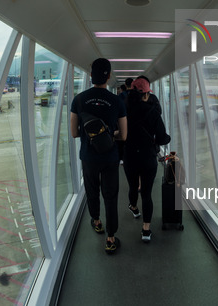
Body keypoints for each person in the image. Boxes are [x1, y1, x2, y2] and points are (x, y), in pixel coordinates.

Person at [70, 58, 127, 254]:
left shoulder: (78, 99)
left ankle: (96, 221)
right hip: (110, 157)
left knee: (92, 191)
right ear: (109, 76)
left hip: (88, 156)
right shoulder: (116, 101)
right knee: (110, 196)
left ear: (90, 75)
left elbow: (74, 133)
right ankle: (110, 239)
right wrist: (110, 134)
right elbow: (124, 134)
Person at [123, 77, 170, 243]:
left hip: (130, 156)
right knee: (147, 193)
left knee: (133, 186)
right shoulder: (153, 112)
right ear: (146, 94)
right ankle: (146, 230)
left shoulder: (124, 111)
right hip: (148, 156)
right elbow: (163, 138)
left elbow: (120, 134)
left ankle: (134, 208)